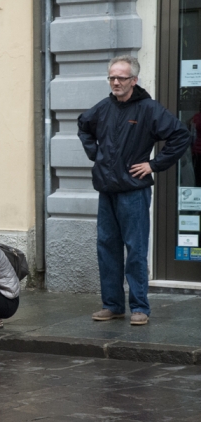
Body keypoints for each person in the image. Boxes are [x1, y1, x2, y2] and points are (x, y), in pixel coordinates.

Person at [78, 55, 191, 326]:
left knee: (136, 249)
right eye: (112, 77)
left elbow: (180, 136)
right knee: (107, 248)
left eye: (121, 78)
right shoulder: (103, 108)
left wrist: (153, 164)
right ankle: (113, 305)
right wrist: (98, 154)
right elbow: (83, 125)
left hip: (133, 191)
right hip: (107, 190)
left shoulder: (149, 109)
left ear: (134, 80)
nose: (116, 82)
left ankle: (140, 307)